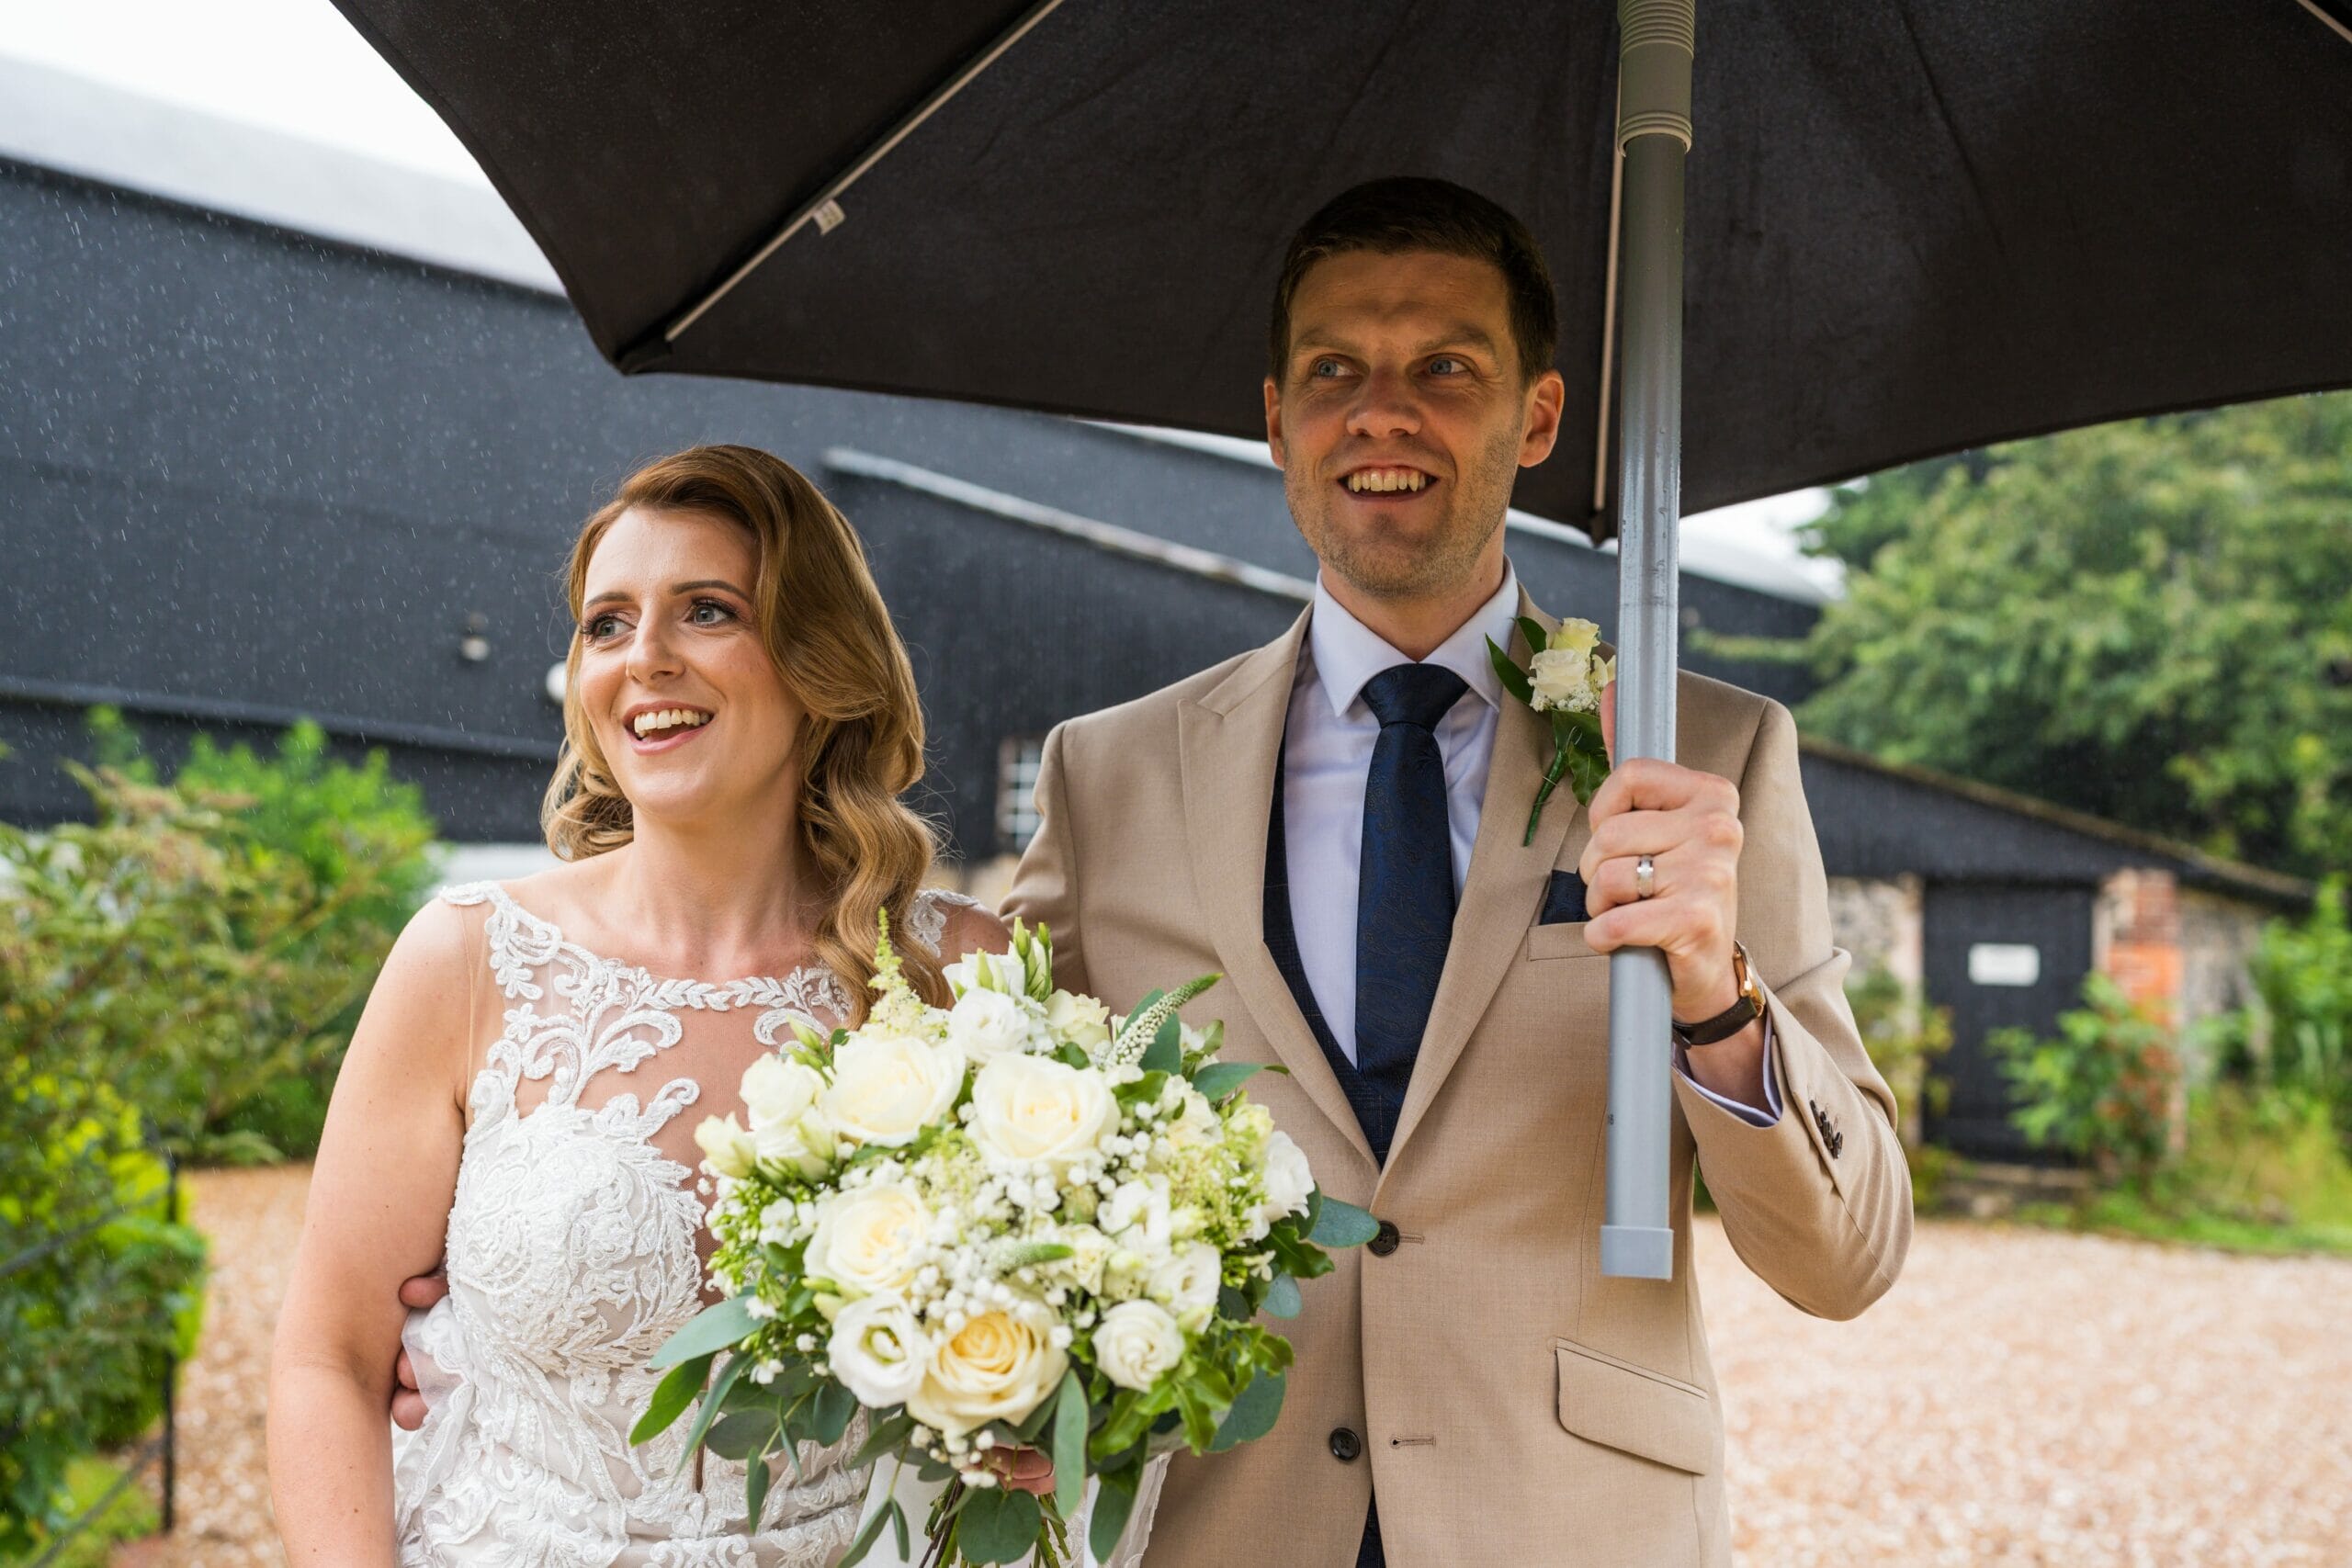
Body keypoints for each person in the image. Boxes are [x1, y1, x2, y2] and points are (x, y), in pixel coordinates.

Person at [998, 176, 1912, 1566]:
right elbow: (1011, 1153)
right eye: (1333, 372)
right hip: (1220, 1521)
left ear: (1536, 416)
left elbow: (1848, 1258)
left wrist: (1716, 994)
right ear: (1275, 419)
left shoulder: (1702, 752)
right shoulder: (1106, 775)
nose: (1382, 413)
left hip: (1570, 1523)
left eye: (1444, 368)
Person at [267, 446, 1027, 1564]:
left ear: (818, 660)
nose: (646, 660)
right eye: (605, 625)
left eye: (707, 611)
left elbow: (1060, 1323)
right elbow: (325, 1358)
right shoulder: (469, 960)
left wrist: (1045, 1421)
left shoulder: (960, 978)